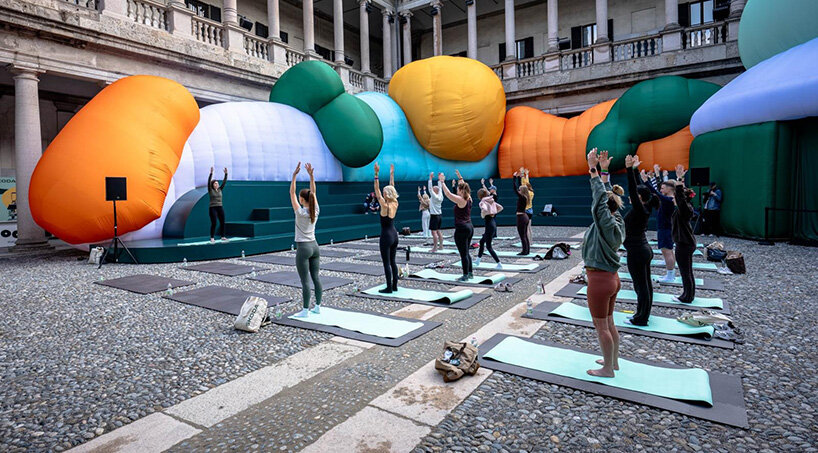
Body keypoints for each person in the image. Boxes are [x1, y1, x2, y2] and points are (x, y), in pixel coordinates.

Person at [581, 148, 625, 378]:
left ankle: (607, 369)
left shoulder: (605, 223)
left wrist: (593, 170)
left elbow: (600, 201)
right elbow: (607, 199)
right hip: (611, 279)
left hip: (599, 280)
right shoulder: (617, 219)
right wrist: (605, 171)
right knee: (609, 323)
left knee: (601, 328)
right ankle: (613, 362)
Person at [623, 156, 659, 326]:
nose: (631, 197)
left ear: (639, 197)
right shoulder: (646, 206)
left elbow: (633, 189)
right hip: (642, 250)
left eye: (635, 196)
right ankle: (642, 315)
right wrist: (636, 170)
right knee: (645, 286)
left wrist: (629, 170)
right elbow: (641, 189)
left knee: (641, 287)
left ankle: (641, 318)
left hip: (637, 252)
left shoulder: (640, 209)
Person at [289, 162, 322, 317]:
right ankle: (318, 306)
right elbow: (313, 192)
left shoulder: (300, 213)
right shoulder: (316, 209)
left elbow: (291, 193)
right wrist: (311, 176)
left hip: (303, 248)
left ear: (302, 199)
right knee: (315, 277)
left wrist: (294, 176)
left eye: (300, 198)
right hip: (315, 246)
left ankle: (305, 311)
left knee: (305, 281)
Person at [645, 164, 676, 283]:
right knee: (668, 251)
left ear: (669, 189)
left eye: (663, 188)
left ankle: (670, 275)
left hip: (665, 228)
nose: (661, 190)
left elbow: (655, 192)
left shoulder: (668, 200)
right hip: (666, 227)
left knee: (667, 251)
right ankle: (670, 274)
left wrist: (646, 181)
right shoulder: (669, 198)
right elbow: (657, 191)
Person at [440, 170, 474, 281]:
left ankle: (465, 275)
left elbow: (448, 194)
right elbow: (465, 187)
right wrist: (460, 177)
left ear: (460, 191)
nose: (457, 191)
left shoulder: (461, 200)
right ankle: (470, 273)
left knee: (463, 253)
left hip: (462, 229)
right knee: (466, 252)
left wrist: (442, 182)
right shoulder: (469, 198)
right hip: (469, 226)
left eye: (458, 189)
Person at [671, 164, 697, 304]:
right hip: (685, 242)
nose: (673, 198)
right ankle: (688, 294)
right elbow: (682, 197)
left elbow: (681, 197)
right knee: (687, 271)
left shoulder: (684, 209)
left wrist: (679, 179)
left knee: (685, 272)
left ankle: (687, 297)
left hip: (684, 243)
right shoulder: (686, 208)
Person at [374, 163, 399, 293]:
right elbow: (392, 188)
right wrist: (391, 174)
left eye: (385, 192)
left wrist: (376, 174)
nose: (382, 193)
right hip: (394, 234)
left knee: (386, 263)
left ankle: (389, 287)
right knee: (393, 262)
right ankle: (395, 286)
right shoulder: (395, 202)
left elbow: (377, 191)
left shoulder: (384, 205)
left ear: (387, 194)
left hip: (386, 236)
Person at [476, 186, 503, 269]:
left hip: (489, 225)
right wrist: (493, 212)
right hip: (492, 223)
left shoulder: (482, 202)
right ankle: (478, 260)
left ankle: (499, 263)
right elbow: (501, 208)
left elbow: (483, 208)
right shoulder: (491, 200)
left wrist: (483, 214)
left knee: (488, 246)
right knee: (481, 241)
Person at [512, 171, 532, 256]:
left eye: (520, 190)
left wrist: (514, 178)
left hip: (521, 217)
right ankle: (527, 250)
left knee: (522, 235)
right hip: (525, 216)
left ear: (522, 191)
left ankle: (524, 251)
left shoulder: (522, 197)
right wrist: (519, 178)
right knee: (525, 235)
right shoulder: (525, 196)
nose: (518, 191)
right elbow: (519, 187)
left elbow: (514, 188)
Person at [208, 166, 228, 243]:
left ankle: (223, 236)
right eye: (215, 183)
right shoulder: (210, 190)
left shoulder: (220, 189)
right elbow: (208, 181)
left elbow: (224, 182)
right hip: (213, 208)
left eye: (217, 183)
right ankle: (212, 237)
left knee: (222, 221)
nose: (217, 184)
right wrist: (211, 173)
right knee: (214, 222)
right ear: (213, 185)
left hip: (220, 207)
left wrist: (226, 174)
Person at [427, 173, 445, 252]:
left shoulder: (434, 197)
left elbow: (430, 189)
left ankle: (435, 248)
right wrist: (439, 179)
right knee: (438, 231)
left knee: (434, 232)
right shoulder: (440, 195)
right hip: (439, 215)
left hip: (434, 216)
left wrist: (430, 179)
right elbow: (440, 188)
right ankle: (441, 246)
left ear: (435, 191)